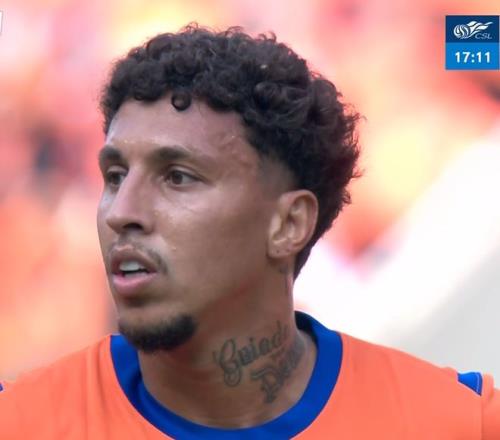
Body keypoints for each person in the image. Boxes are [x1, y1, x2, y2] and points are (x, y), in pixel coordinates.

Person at [0, 24, 498, 439]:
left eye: (178, 177)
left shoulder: (457, 421)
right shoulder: (21, 422)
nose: (121, 212)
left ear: (289, 224)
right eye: (114, 176)